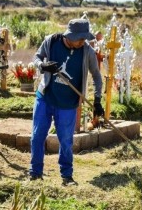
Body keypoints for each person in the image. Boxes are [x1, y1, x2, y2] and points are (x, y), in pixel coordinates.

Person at [29, 18, 104, 186]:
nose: (82, 42)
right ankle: (35, 172)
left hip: (68, 104)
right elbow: (36, 57)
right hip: (45, 98)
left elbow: (97, 78)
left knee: (66, 140)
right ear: (69, 35)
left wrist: (97, 100)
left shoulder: (87, 52)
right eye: (79, 38)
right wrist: (43, 65)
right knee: (37, 136)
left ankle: (67, 176)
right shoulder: (52, 41)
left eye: (84, 38)